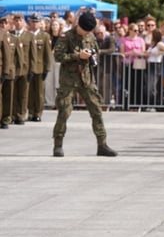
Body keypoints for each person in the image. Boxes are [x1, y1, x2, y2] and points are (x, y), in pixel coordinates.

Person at [51, 10, 117, 157]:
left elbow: (96, 51)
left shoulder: (90, 36)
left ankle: (102, 144)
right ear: (78, 25)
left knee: (97, 110)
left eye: (89, 30)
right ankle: (58, 144)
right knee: (64, 111)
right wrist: (77, 56)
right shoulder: (66, 36)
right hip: (69, 80)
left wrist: (92, 55)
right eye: (84, 29)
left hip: (86, 79)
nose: (86, 32)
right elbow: (58, 56)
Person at [27, 14, 51, 122]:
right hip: (28, 68)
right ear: (30, 22)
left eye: (37, 22)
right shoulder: (26, 35)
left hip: (40, 67)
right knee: (29, 92)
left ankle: (38, 113)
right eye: (33, 21)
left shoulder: (44, 36)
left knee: (39, 92)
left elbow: (47, 53)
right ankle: (30, 112)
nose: (35, 24)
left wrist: (47, 68)